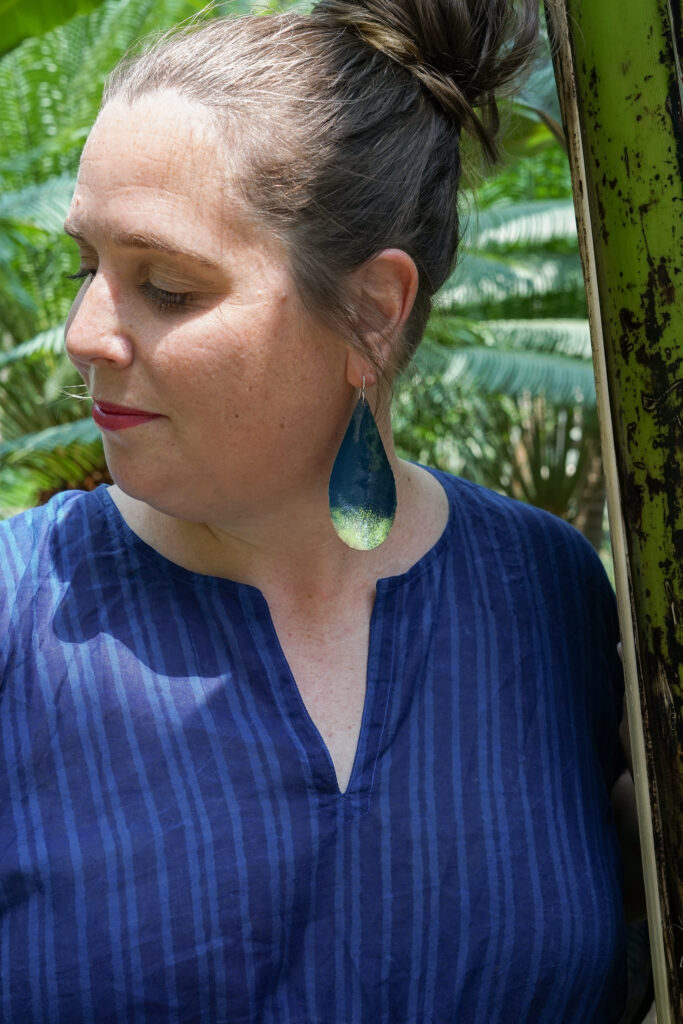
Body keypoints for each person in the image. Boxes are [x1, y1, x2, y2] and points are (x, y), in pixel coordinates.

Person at [0, 1, 643, 1021]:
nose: (84, 334)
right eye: (89, 267)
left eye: (164, 286)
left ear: (370, 313)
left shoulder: (549, 596)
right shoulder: (22, 614)